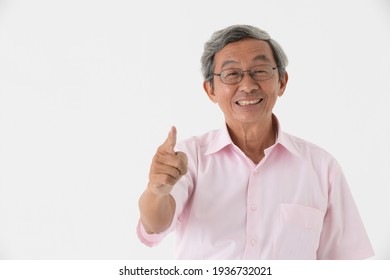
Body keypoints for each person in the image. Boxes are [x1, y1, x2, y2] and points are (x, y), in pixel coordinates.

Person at [137, 25, 374, 259]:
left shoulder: (322, 167)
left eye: (260, 71)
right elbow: (154, 225)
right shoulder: (190, 158)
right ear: (211, 90)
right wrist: (157, 191)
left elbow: (346, 261)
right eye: (232, 74)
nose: (248, 86)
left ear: (282, 82)